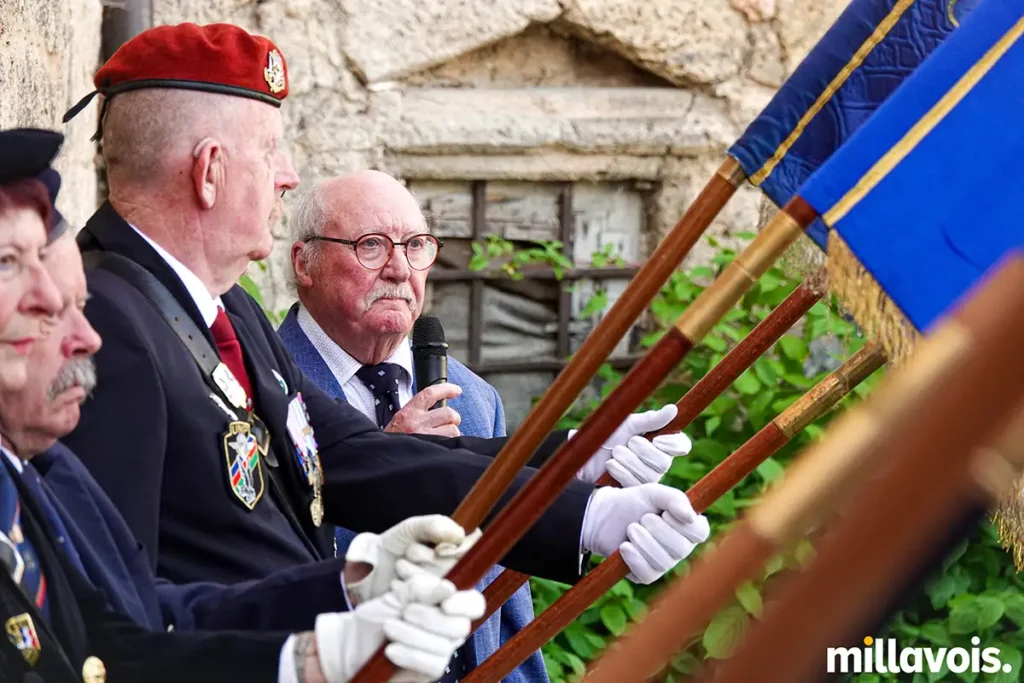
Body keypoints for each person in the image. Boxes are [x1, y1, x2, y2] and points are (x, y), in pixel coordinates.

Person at [62, 25, 712, 678]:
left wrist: (572, 465)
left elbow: (350, 455)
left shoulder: (227, 308)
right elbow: (116, 608)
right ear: (209, 170)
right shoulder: (103, 319)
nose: (288, 177)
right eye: (270, 150)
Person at [0, 128, 485, 683]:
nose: (85, 337)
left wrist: (346, 591)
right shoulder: (115, 355)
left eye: (75, 304)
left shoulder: (48, 472)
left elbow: (138, 625)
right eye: (11, 263)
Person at [281, 172, 697, 682]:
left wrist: (578, 461)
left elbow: (501, 601)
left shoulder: (474, 396)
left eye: (416, 246)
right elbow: (261, 569)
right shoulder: (268, 386)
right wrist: (393, 467)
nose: (398, 268)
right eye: (371, 246)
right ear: (305, 262)